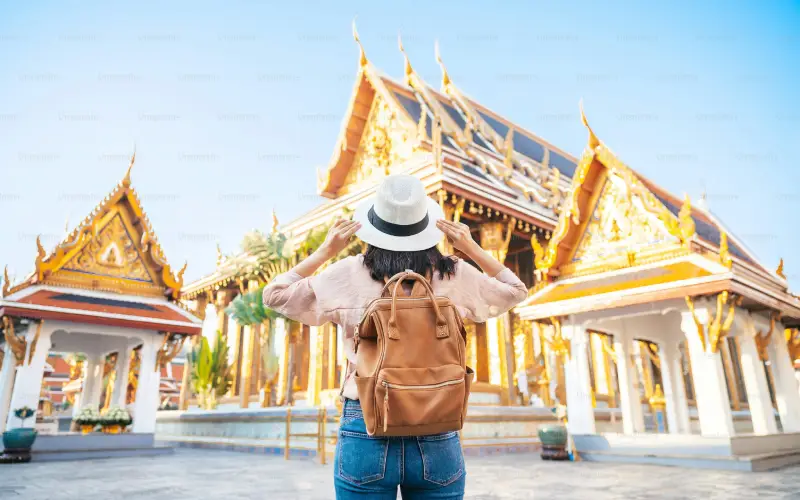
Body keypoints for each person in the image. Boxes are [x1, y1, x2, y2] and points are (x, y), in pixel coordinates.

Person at [263, 174, 527, 500]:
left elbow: (274, 295)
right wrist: (471, 248)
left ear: (374, 227)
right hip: (437, 421)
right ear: (425, 226)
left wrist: (325, 251)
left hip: (366, 421)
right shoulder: (453, 273)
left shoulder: (349, 272)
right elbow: (516, 290)